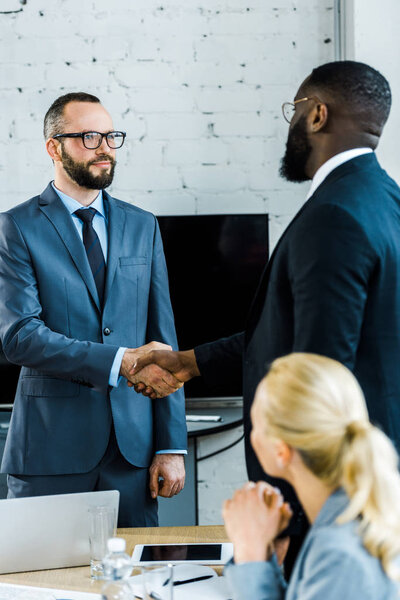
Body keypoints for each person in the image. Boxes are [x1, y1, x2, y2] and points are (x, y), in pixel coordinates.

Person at [130, 60, 400, 569]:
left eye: (293, 112)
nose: (290, 126)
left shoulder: (334, 217)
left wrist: (286, 519)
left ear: (317, 115)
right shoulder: (385, 200)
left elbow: (318, 380)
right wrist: (189, 361)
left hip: (327, 504)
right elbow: (294, 331)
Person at [0, 92, 187, 527]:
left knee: (136, 586)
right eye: (88, 137)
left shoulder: (143, 224)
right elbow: (21, 336)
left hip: (133, 453)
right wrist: (120, 360)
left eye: (110, 136)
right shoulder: (16, 227)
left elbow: (165, 339)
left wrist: (171, 445)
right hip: (49, 451)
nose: (104, 147)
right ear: (54, 147)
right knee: (45, 587)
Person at [222, 353, 400, 599]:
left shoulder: (340, 555)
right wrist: (259, 554)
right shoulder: (343, 518)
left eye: (255, 425)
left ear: (280, 450)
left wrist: (249, 551)